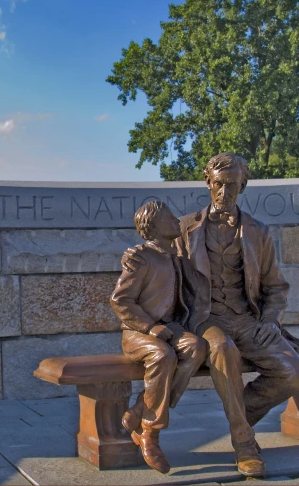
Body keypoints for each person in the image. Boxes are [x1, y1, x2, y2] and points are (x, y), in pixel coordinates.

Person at [123, 153, 299, 478]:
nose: (225, 193)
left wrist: (270, 320)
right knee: (222, 350)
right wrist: (137, 253)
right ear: (209, 183)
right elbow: (155, 251)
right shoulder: (183, 228)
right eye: (219, 185)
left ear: (243, 186)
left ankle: (238, 411)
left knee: (296, 373)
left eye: (233, 186)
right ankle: (244, 444)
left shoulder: (259, 232)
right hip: (205, 320)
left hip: (249, 320)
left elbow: (275, 287)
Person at [110, 200, 206, 474]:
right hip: (139, 333)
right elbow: (120, 301)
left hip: (169, 329)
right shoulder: (140, 257)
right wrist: (150, 327)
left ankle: (140, 409)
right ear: (153, 226)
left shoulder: (174, 256)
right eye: (169, 217)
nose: (177, 220)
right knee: (162, 355)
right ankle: (150, 434)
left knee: (196, 347)